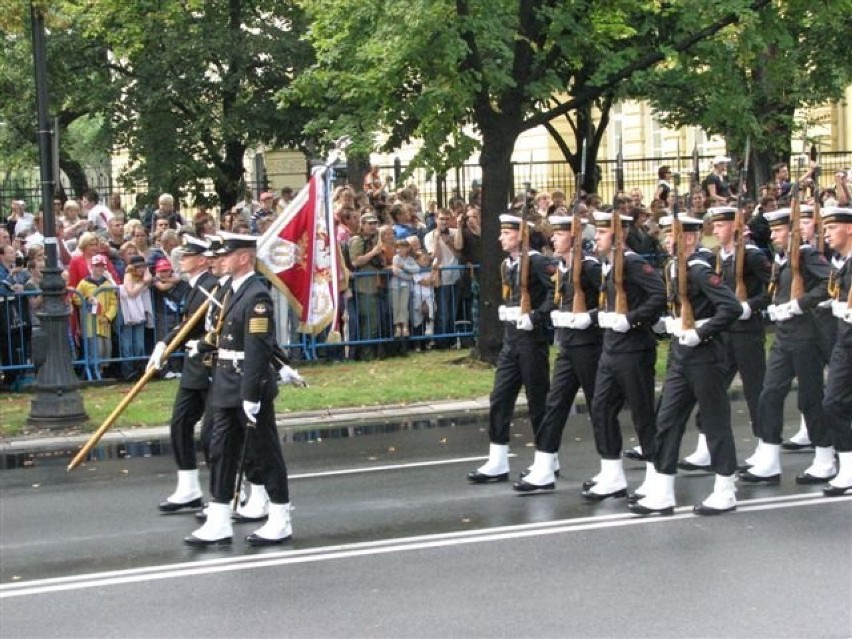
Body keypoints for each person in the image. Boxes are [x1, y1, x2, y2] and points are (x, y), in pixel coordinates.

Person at [629, 214, 742, 516]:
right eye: (666, 235)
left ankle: (725, 489)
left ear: (689, 238)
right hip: (681, 356)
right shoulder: (673, 267)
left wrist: (701, 332)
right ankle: (664, 490)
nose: (667, 240)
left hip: (706, 356)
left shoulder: (700, 270)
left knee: (715, 423)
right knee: (666, 421)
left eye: (673, 235)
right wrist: (671, 322)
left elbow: (731, 307)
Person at [185, 232, 292, 547]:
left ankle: (280, 517)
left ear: (244, 257)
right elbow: (221, 335)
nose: (218, 260)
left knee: (264, 452)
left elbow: (258, 348)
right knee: (220, 451)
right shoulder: (230, 290)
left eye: (226, 255)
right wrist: (202, 344)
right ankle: (219, 518)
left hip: (246, 383)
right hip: (224, 382)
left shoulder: (256, 295)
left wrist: (250, 395)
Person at [738, 207, 831, 485]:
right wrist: (775, 307)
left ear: (793, 231)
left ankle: (825, 458)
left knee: (811, 398)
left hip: (806, 337)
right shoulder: (781, 258)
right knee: (769, 394)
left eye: (778, 230)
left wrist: (799, 304)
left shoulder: (806, 254)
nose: (774, 235)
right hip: (784, 337)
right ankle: (769, 457)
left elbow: (829, 282)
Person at [678, 206, 772, 471]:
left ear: (735, 226)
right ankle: (705, 448)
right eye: (714, 225)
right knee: (712, 391)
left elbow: (772, 288)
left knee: (756, 391)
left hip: (747, 332)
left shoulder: (751, 255)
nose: (715, 231)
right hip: (724, 333)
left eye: (721, 226)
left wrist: (750, 306)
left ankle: (765, 447)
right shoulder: (721, 258)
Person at [581, 211, 666, 500]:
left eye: (602, 233)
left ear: (618, 236)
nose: (597, 239)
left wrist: (632, 319)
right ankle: (612, 473)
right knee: (601, 408)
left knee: (642, 413)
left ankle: (656, 474)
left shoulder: (632, 263)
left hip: (634, 349)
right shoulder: (608, 265)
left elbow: (659, 295)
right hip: (611, 348)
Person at [513, 215, 602, 492]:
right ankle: (544, 467)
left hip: (590, 346)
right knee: (554, 405)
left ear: (573, 238)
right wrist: (544, 315)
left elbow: (611, 300)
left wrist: (591, 316)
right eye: (554, 234)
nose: (553, 238)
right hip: (568, 347)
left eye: (560, 234)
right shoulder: (564, 268)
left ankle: (611, 468)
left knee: (599, 408)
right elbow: (555, 300)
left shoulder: (589, 267)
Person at [467, 214, 554, 483]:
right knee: (500, 397)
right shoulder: (508, 264)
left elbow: (557, 293)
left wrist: (537, 316)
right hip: (511, 340)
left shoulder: (538, 261)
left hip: (532, 339)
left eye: (506, 233)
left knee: (538, 401)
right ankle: (498, 460)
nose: (500, 238)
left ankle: (547, 459)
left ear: (521, 235)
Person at [147, 236, 219, 512]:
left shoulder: (211, 287)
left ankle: (228, 493)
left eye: (187, 255)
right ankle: (188, 487)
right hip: (193, 367)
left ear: (202, 260)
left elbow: (196, 325)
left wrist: (167, 341)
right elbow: (186, 323)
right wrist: (164, 342)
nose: (181, 258)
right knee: (179, 423)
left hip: (210, 366)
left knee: (214, 433)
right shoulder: (195, 286)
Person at [821, 207, 852, 495]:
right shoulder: (841, 262)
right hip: (845, 342)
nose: (826, 233)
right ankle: (848, 467)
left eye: (832, 228)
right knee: (834, 402)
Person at [73, 254, 119, 374]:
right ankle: (94, 371)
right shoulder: (84, 283)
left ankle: (102, 371)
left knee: (106, 349)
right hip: (90, 323)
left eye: (101, 266)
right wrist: (87, 299)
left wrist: (108, 317)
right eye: (96, 266)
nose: (99, 269)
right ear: (91, 267)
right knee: (95, 348)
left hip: (104, 323)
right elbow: (76, 298)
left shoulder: (108, 284)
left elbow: (114, 303)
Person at [424, 209, 462, 348]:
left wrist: (449, 243)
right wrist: (437, 239)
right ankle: (441, 341)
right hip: (441, 277)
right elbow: (434, 256)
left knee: (453, 310)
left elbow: (459, 253)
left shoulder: (455, 232)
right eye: (441, 219)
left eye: (446, 219)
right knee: (443, 311)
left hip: (455, 275)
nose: (444, 222)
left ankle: (451, 340)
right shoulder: (429, 236)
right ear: (436, 219)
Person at [119, 255, 152, 381]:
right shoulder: (128, 276)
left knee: (139, 345)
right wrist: (142, 283)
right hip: (127, 313)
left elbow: (150, 277)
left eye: (143, 266)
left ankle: (138, 370)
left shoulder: (145, 276)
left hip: (139, 314)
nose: (141, 269)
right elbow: (131, 292)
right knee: (127, 346)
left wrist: (146, 270)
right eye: (138, 267)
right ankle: (128, 372)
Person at [389, 239, 419, 338]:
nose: (400, 250)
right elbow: (396, 271)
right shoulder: (395, 258)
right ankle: (397, 327)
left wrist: (404, 267)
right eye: (398, 247)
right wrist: (409, 276)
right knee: (396, 306)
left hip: (405, 286)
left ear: (407, 248)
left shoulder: (410, 259)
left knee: (404, 306)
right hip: (395, 286)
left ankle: (405, 326)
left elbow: (416, 269)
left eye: (402, 247)